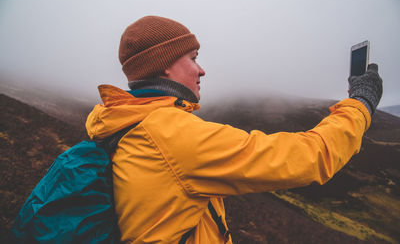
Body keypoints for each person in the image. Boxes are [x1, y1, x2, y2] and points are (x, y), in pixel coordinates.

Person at [85, 16, 383, 244]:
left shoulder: (122, 122)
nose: (201, 70)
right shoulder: (171, 134)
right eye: (193, 58)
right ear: (165, 66)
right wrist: (360, 103)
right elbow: (308, 157)